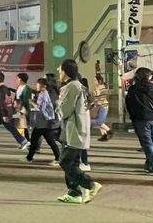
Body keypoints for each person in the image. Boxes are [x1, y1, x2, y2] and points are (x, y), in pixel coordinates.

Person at [56, 59, 102, 204]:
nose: (59, 71)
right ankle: (74, 193)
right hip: (74, 130)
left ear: (66, 71)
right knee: (72, 163)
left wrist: (58, 106)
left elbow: (65, 110)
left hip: (74, 131)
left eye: (60, 69)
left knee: (65, 162)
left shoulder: (72, 86)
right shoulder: (79, 85)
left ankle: (90, 184)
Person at [126, 67, 153, 175]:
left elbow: (129, 104)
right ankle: (149, 164)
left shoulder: (133, 89)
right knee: (151, 143)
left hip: (141, 120)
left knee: (147, 144)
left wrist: (132, 117)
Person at [0, 71, 29, 151]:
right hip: (4, 113)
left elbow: (2, 103)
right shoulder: (5, 89)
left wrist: (5, 115)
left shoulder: (0, 90)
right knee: (10, 128)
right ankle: (23, 141)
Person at [26, 78, 61, 165]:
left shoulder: (44, 95)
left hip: (43, 123)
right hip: (43, 122)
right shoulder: (43, 94)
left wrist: (32, 102)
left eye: (38, 84)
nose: (36, 86)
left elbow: (41, 108)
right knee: (46, 141)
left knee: (39, 140)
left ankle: (58, 158)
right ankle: (29, 157)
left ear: (43, 86)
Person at [91, 74, 112, 141]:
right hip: (99, 106)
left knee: (99, 122)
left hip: (103, 106)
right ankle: (104, 135)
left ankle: (109, 131)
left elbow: (102, 98)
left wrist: (96, 102)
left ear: (99, 81)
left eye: (95, 80)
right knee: (100, 122)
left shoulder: (102, 88)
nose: (94, 81)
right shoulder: (97, 88)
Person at [15, 73, 32, 140]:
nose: (16, 80)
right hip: (18, 108)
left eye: (17, 78)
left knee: (23, 125)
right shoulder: (19, 87)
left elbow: (25, 100)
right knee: (20, 126)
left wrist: (21, 107)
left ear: (21, 79)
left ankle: (26, 140)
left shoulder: (27, 88)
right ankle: (25, 140)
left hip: (23, 109)